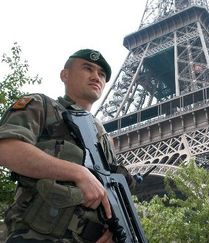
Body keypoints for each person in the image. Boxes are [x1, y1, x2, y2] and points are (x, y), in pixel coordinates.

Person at [0, 49, 135, 243]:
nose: (96, 76)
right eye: (88, 68)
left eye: (102, 74)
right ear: (65, 75)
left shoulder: (105, 140)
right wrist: (78, 173)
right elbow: (6, 148)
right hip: (35, 236)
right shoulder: (42, 105)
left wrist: (113, 230)